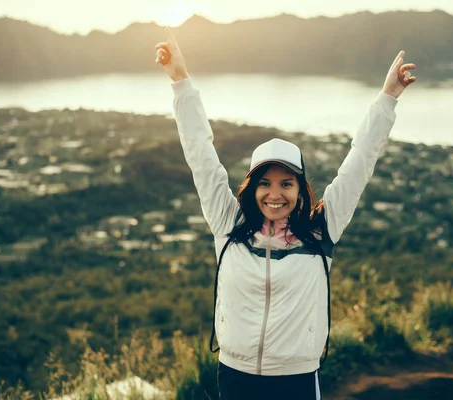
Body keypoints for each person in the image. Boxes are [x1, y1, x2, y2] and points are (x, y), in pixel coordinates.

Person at [155, 27, 416, 400]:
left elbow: (359, 162)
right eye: (265, 183)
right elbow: (201, 155)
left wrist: (388, 98)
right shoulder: (229, 226)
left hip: (296, 380)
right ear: (252, 187)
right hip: (235, 374)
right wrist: (180, 81)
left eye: (286, 184)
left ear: (300, 189)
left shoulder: (321, 231)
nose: (275, 194)